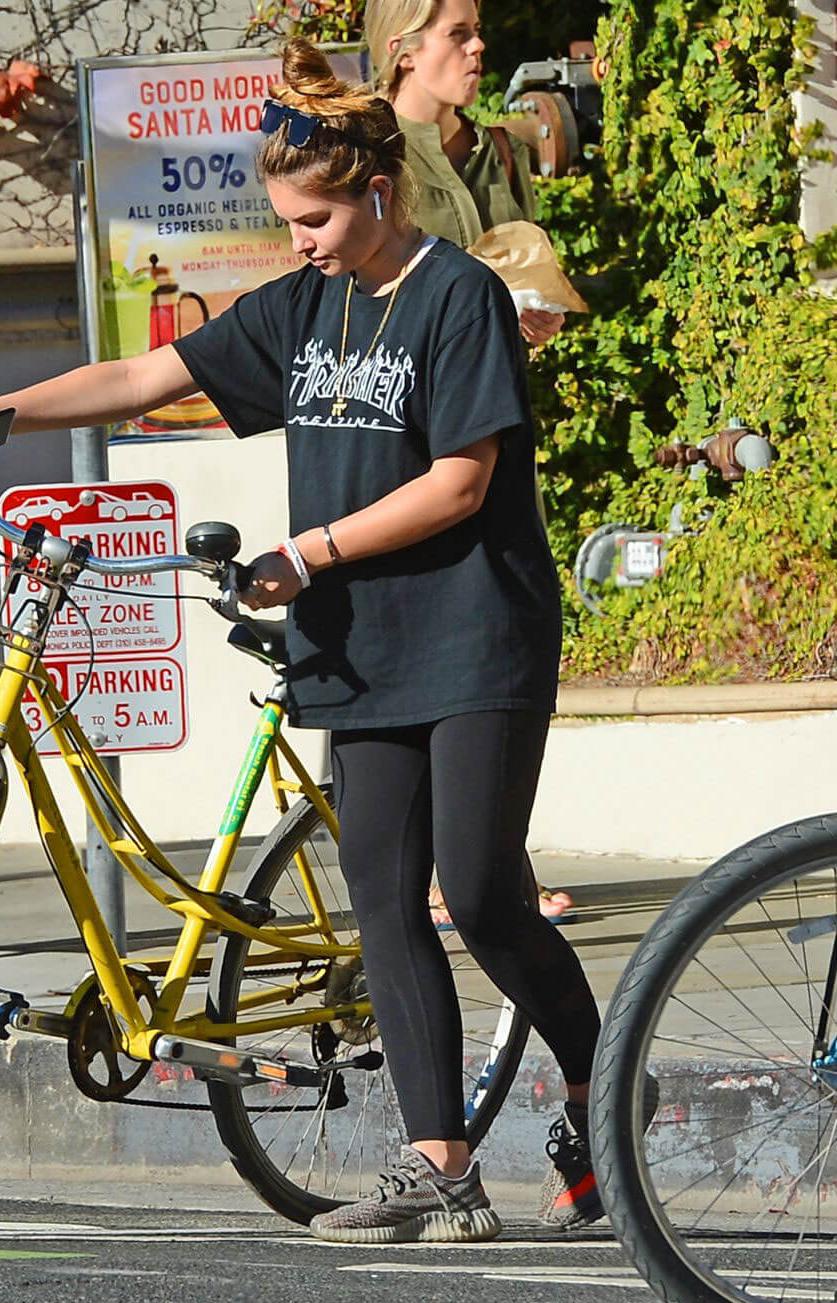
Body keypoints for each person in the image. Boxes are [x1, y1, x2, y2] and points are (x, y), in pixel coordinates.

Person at [0, 38, 603, 1240]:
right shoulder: (303, 306)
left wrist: (309, 552)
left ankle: (598, 1087)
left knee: (480, 893)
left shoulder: (457, 296)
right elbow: (144, 370)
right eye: (287, 222)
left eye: (314, 219)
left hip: (479, 632)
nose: (299, 243)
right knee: (384, 895)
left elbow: (459, 485)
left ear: (377, 193)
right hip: (358, 644)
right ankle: (442, 1168)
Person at [366, 0, 575, 924]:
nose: (480, 46)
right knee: (450, 631)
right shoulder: (375, 153)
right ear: (404, 48)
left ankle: (495, 866)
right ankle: (466, 874)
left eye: (479, 28)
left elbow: (513, 266)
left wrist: (530, 313)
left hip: (495, 414)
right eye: (459, 32)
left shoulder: (493, 150)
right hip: (415, 431)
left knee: (496, 633)